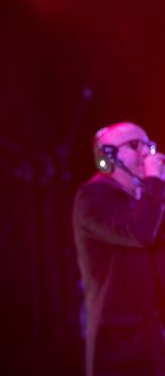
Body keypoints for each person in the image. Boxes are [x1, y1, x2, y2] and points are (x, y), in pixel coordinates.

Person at [73, 121, 165, 376]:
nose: (146, 153)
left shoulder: (148, 200)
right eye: (135, 145)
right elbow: (139, 232)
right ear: (107, 158)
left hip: (152, 338)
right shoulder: (92, 198)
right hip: (117, 348)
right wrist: (154, 181)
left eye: (148, 145)